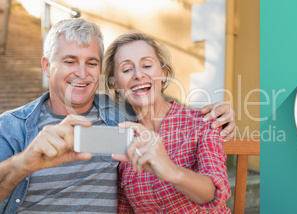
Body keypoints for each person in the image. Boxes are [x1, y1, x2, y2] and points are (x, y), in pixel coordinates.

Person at [0, 18, 235, 213]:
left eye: (91, 63)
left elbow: (215, 190)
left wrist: (221, 115)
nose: (82, 73)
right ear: (46, 66)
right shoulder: (13, 126)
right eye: (70, 61)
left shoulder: (120, 119)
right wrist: (23, 162)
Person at [104, 32, 231, 213]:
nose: (138, 75)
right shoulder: (123, 140)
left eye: (147, 65)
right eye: (126, 70)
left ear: (163, 74)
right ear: (116, 84)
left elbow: (215, 194)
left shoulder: (201, 122)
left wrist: (170, 170)